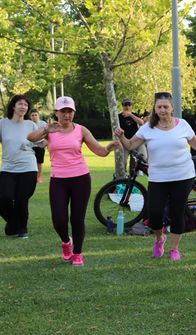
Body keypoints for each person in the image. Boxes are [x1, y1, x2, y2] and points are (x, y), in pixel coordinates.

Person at [114, 92, 196, 262]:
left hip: (183, 176)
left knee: (177, 212)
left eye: (165, 107)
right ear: (154, 109)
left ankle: (174, 249)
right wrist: (121, 136)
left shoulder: (183, 124)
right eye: (159, 107)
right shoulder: (148, 127)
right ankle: (159, 239)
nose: (162, 110)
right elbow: (131, 145)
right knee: (155, 213)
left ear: (172, 108)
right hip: (158, 177)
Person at [27, 96, 120, 266]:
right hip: (58, 180)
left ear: (74, 113)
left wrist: (108, 148)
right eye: (63, 111)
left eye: (69, 111)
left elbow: (99, 151)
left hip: (80, 179)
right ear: (56, 112)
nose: (66, 115)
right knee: (59, 219)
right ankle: (66, 242)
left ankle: (78, 253)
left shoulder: (81, 130)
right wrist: (46, 129)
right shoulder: (50, 130)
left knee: (77, 218)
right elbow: (31, 138)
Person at [1, 95, 38, 239]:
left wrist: (46, 140)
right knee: (3, 197)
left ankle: (22, 229)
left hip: (28, 167)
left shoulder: (31, 125)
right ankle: (14, 224)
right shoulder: (3, 124)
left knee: (22, 199)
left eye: (26, 105)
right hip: (8, 168)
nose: (23, 107)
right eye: (20, 104)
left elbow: (40, 142)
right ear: (13, 106)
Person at [118, 98, 146, 172]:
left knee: (144, 157)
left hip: (136, 141)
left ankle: (136, 173)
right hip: (124, 142)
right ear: (122, 106)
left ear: (131, 106)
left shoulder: (135, 115)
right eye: (125, 105)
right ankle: (123, 176)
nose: (127, 107)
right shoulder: (119, 117)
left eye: (129, 105)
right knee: (123, 161)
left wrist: (130, 115)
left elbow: (141, 123)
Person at [29, 109, 48, 183]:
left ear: (38, 115)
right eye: (32, 115)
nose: (34, 116)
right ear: (30, 116)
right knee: (31, 162)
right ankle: (32, 177)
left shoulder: (43, 124)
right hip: (31, 146)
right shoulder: (28, 124)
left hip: (40, 145)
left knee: (39, 162)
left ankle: (38, 178)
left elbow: (47, 134)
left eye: (35, 115)